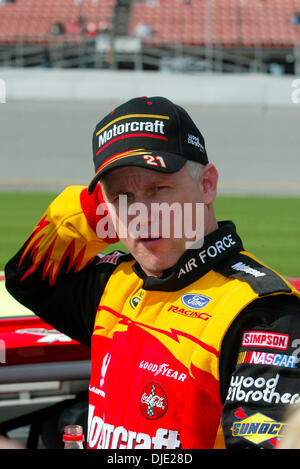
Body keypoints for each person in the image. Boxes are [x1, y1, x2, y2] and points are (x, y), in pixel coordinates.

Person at [5, 96, 300, 449]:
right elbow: (29, 276)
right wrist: (97, 207)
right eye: (122, 197)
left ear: (207, 185)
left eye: (158, 190)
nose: (141, 214)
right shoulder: (116, 283)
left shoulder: (263, 313)